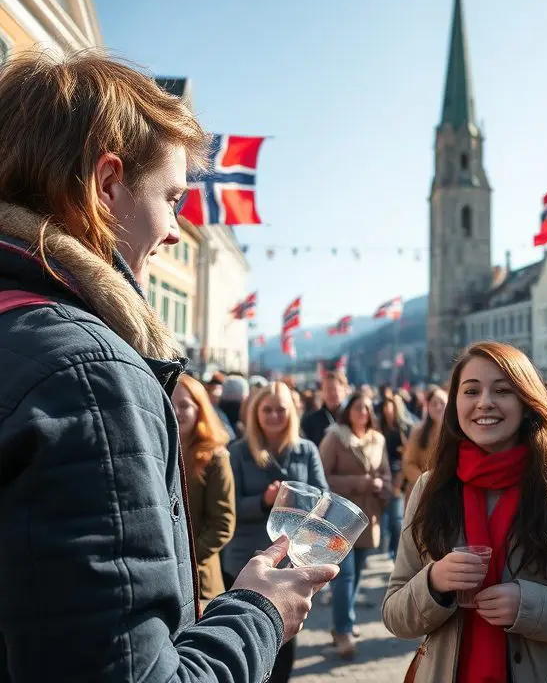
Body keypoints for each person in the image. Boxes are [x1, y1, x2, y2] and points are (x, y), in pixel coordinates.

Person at [0, 51, 337, 682]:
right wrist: (260, 612)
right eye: (172, 198)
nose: (177, 231)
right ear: (107, 185)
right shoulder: (90, 376)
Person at [383, 341, 547, 681]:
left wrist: (530, 606)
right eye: (471, 391)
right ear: (455, 403)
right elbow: (394, 615)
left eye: (502, 390)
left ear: (526, 401)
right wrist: (434, 582)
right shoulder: (429, 488)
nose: (485, 402)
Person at [224, 380, 330, 683]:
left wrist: (293, 501)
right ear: (256, 412)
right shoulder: (238, 451)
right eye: (267, 409)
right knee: (245, 637)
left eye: (280, 409)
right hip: (245, 559)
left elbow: (323, 498)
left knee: (284, 639)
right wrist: (264, 500)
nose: (273, 416)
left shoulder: (305, 449)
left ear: (291, 412)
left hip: (288, 562)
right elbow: (230, 506)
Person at [319, 392, 392, 658]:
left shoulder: (378, 439)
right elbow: (322, 477)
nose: (363, 412)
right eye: (358, 407)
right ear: (348, 410)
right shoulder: (335, 437)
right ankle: (343, 630)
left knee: (358, 571)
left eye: (367, 408)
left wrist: (383, 486)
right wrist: (358, 483)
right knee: (345, 574)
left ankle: (345, 620)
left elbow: (385, 472)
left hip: (369, 516)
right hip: (340, 517)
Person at [172, 374, 236, 603]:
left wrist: (184, 558)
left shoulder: (215, 457)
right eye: (170, 404)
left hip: (200, 581)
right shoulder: (157, 451)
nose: (176, 411)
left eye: (184, 405)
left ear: (200, 408)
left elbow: (222, 524)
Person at [379, 393, 414, 559]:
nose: (387, 409)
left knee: (396, 517)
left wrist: (400, 478)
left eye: (390, 406)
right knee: (386, 518)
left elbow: (408, 455)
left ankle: (396, 551)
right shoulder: (380, 427)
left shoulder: (404, 428)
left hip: (399, 476)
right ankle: (390, 548)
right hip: (382, 475)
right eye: (385, 406)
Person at [402, 385, 448, 498]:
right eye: (434, 404)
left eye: (442, 403)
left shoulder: (457, 433)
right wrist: (425, 481)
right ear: (428, 407)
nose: (438, 407)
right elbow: (408, 463)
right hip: (422, 493)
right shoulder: (418, 433)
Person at [300, 371, 347, 447]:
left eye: (335, 389)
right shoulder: (310, 420)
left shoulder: (353, 417)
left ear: (345, 390)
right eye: (327, 389)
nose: (331, 393)